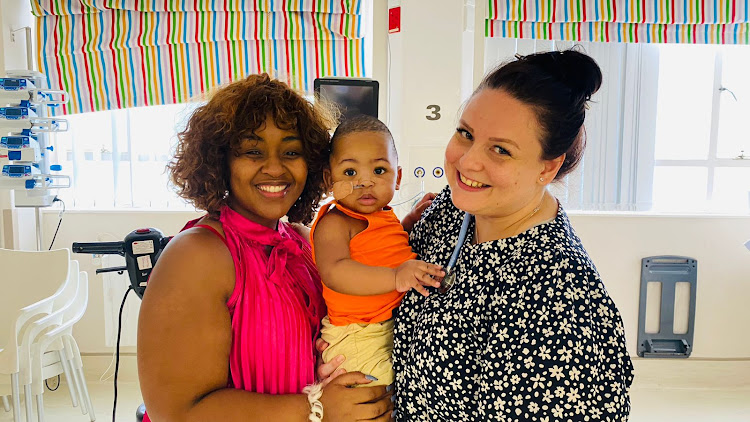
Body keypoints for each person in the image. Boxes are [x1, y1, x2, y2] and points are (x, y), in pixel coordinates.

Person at [391, 50, 634, 421]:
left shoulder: (558, 309)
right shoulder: (452, 210)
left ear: (548, 167)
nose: (468, 161)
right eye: (465, 134)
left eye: (501, 150)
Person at [137, 74, 393, 422]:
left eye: (291, 151)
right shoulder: (196, 256)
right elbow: (176, 413)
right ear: (220, 160)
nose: (275, 168)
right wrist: (315, 408)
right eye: (252, 151)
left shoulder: (303, 241)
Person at [310, 115, 444, 387]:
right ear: (328, 178)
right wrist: (396, 277)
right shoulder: (335, 222)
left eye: (379, 171)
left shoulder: (384, 215)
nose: (365, 182)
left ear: (399, 177)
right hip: (357, 335)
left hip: (383, 328)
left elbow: (384, 247)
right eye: (350, 173)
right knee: (376, 401)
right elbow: (335, 271)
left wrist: (409, 222)